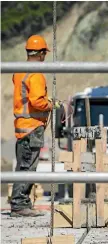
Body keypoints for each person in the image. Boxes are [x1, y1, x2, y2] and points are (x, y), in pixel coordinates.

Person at [11, 35, 61, 217]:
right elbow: (37, 101)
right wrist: (52, 104)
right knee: (27, 167)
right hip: (32, 127)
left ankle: (21, 203)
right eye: (44, 53)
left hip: (22, 125)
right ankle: (19, 205)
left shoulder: (19, 70)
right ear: (40, 53)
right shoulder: (36, 74)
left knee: (23, 166)